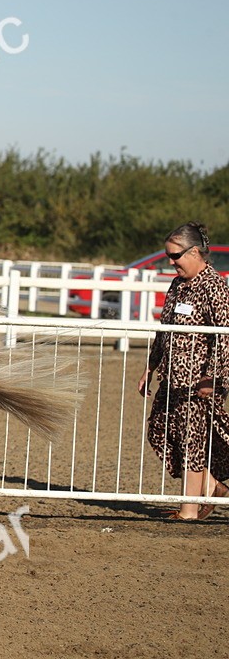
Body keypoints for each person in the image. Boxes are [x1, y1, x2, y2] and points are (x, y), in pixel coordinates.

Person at [137, 221, 229, 520]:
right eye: (169, 255)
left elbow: (225, 336)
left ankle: (189, 510)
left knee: (192, 442)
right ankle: (213, 488)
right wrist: (149, 368)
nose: (171, 261)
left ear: (195, 252)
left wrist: (214, 377)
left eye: (176, 256)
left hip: (200, 382)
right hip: (172, 379)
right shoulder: (177, 285)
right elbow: (164, 331)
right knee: (163, 433)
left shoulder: (214, 286)